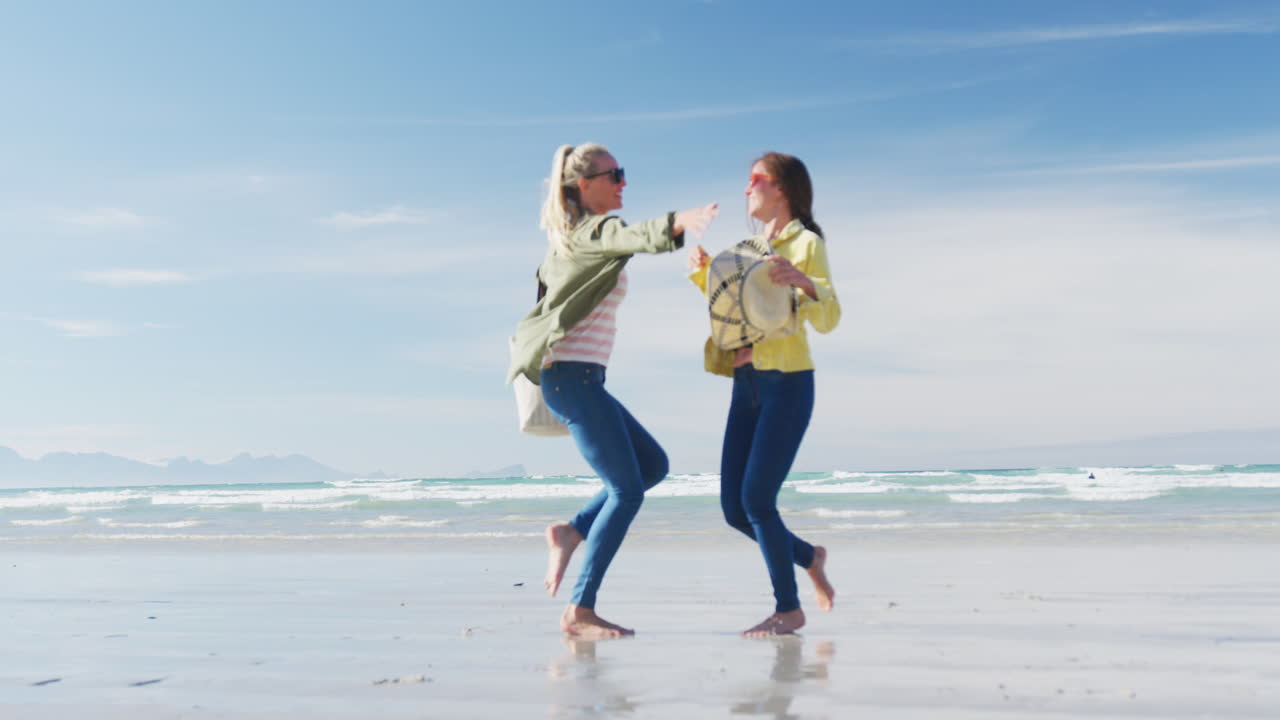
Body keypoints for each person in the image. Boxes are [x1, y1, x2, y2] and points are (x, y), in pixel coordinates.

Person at [508, 143, 719, 639]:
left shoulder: (579, 239)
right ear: (584, 185)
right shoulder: (591, 231)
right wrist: (676, 222)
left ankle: (571, 530)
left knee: (652, 468)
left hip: (585, 380)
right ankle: (580, 610)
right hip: (571, 379)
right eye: (615, 174)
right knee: (626, 491)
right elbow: (633, 236)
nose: (623, 182)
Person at [687, 152, 840, 637]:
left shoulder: (806, 242)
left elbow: (829, 317)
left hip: (788, 382)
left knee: (757, 499)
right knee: (734, 509)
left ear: (783, 189)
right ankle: (808, 557)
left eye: (755, 179)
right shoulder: (750, 245)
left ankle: (788, 609)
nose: (746, 189)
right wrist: (704, 272)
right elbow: (737, 307)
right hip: (746, 384)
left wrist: (806, 284)